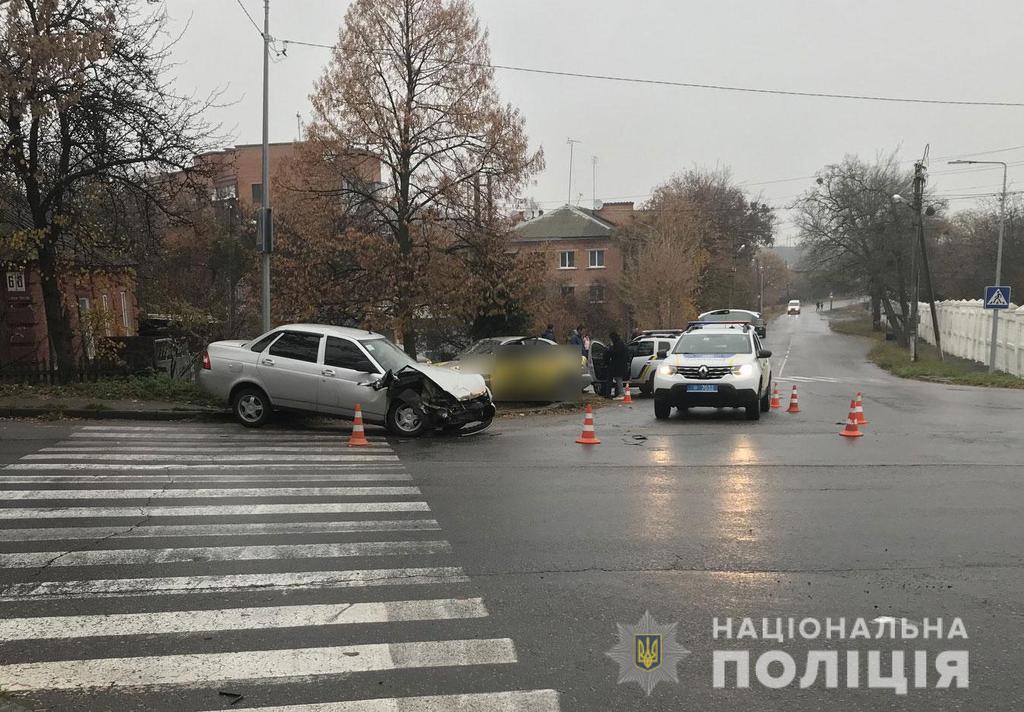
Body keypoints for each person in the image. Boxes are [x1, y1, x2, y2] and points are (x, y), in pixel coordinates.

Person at [605, 331, 630, 398]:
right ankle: (619, 393)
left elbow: (615, 353)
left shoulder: (618, 344)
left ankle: (621, 394)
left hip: (618, 365)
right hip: (620, 365)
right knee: (618, 379)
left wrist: (610, 348)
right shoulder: (620, 342)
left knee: (619, 379)